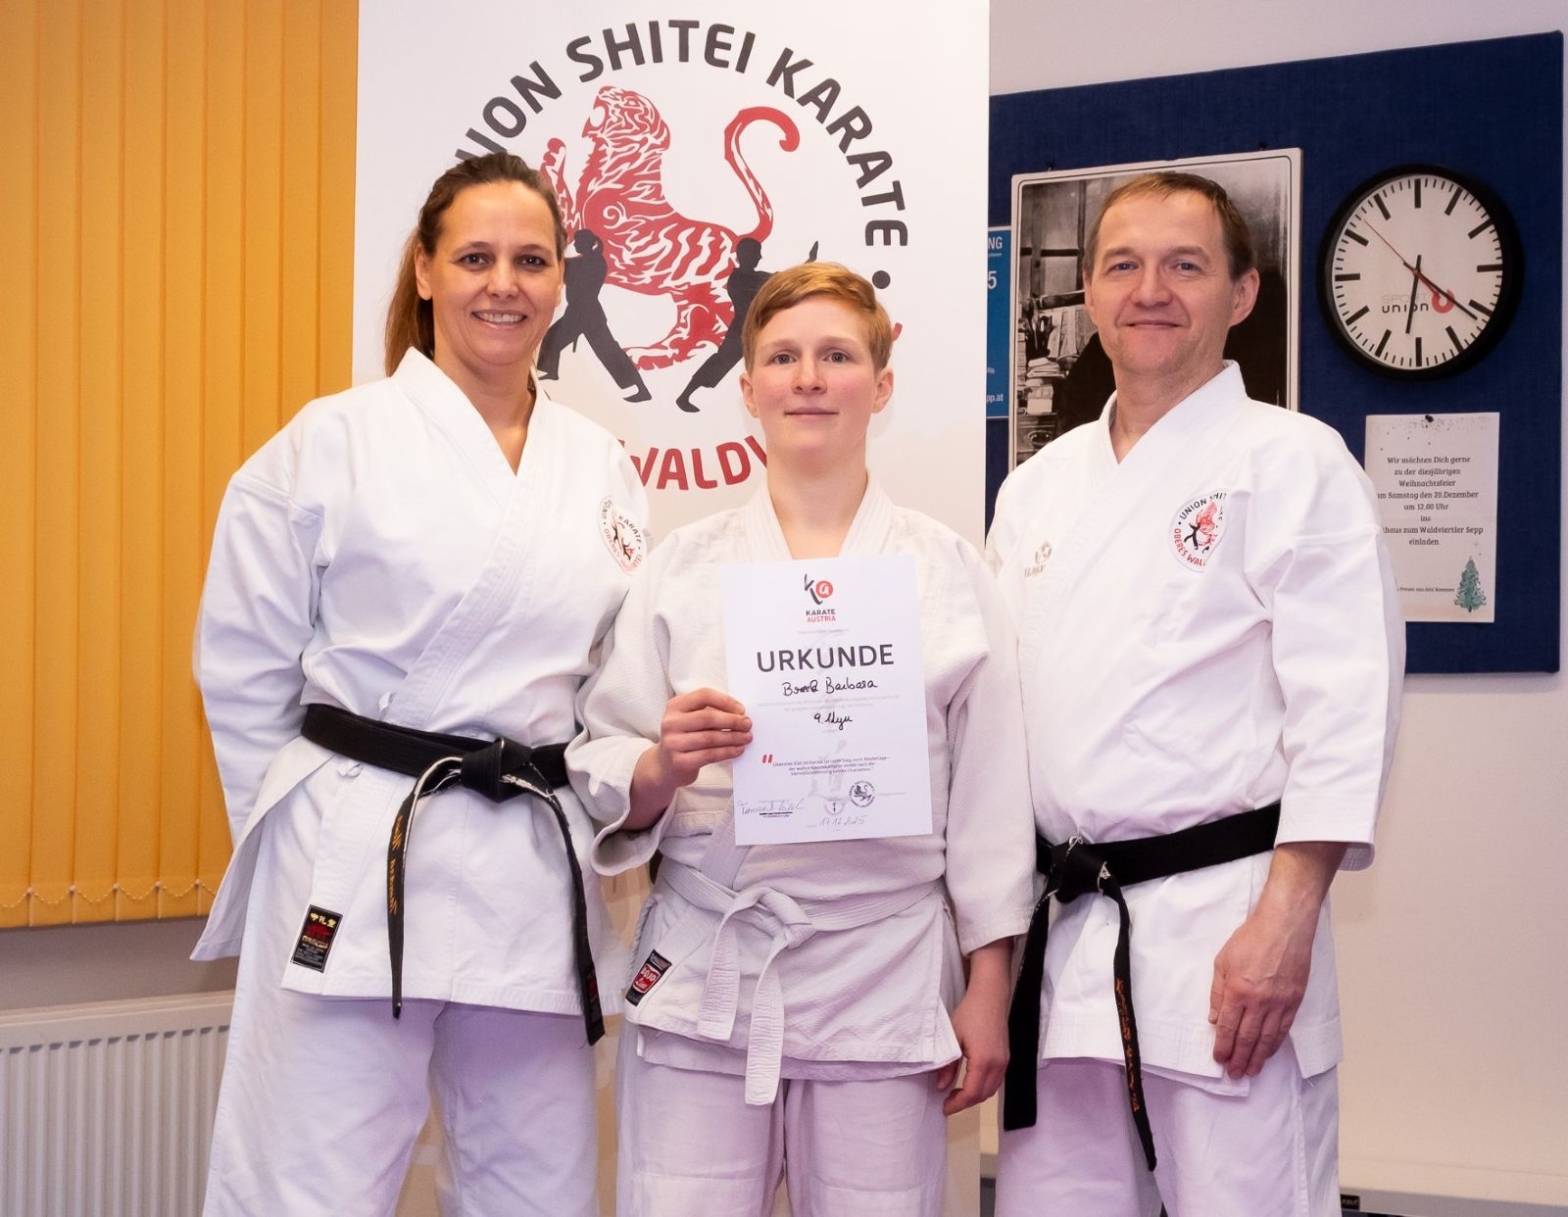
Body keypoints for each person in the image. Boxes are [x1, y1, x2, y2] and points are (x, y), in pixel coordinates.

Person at [191, 152, 648, 1216]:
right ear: (426, 270)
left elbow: (615, 683)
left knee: (536, 1183)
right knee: (308, 1178)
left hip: (529, 862)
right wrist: (297, 829)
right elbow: (242, 662)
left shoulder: (600, 463)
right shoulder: (328, 442)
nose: (504, 283)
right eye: (476, 257)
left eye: (531, 259)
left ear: (563, 277)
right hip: (356, 851)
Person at [567, 262, 1035, 1216]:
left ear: (882, 384)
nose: (809, 379)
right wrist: (662, 763)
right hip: (712, 966)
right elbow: (603, 755)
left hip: (884, 973)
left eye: (837, 356)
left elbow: (993, 797)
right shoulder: (682, 568)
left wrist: (990, 988)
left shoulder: (946, 570)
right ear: (747, 389)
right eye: (782, 358)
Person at [987, 172, 1404, 1216]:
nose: (1150, 290)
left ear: (1241, 293)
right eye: (1122, 265)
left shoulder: (1295, 461)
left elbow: (1346, 711)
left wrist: (1287, 919)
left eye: (1185, 265)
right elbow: (996, 727)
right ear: (1088, 293)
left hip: (1228, 927)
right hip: (1068, 937)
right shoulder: (1035, 487)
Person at [538, 226, 652, 402]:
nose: (575, 245)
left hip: (588, 314)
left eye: (578, 242)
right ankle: (552, 371)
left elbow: (563, 266)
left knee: (609, 352)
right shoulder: (591, 262)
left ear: (585, 244)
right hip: (579, 313)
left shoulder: (590, 263)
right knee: (552, 339)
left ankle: (642, 389)